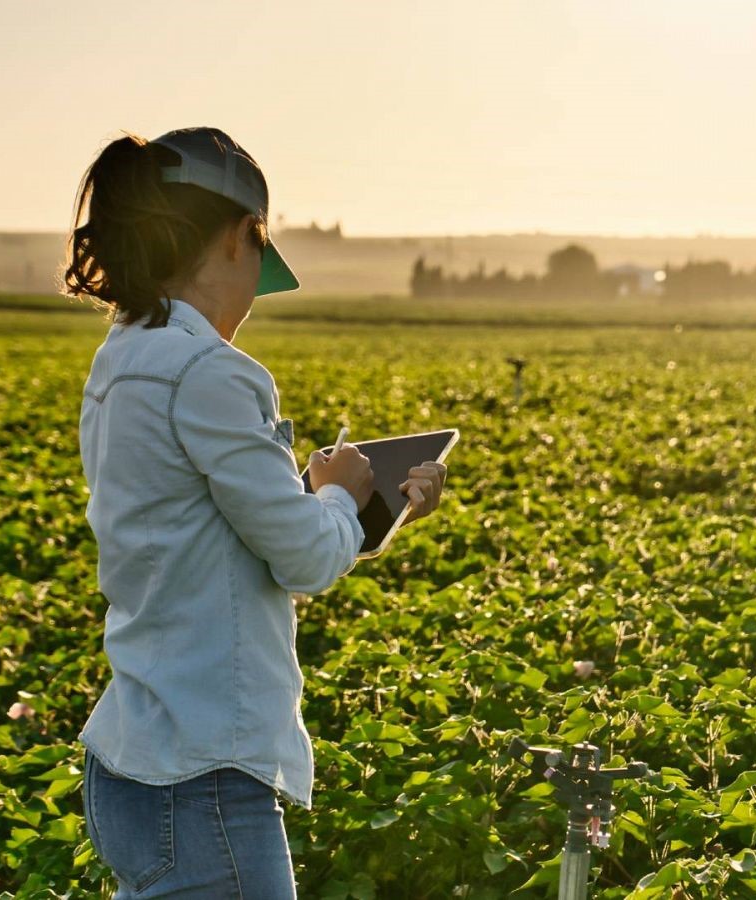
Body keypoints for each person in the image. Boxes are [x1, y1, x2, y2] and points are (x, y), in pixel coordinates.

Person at [61, 126, 448, 898]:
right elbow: (303, 558)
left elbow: (213, 538)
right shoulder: (212, 370)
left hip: (134, 760)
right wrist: (339, 488)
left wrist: (362, 514)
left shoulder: (124, 357)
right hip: (202, 775)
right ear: (242, 237)